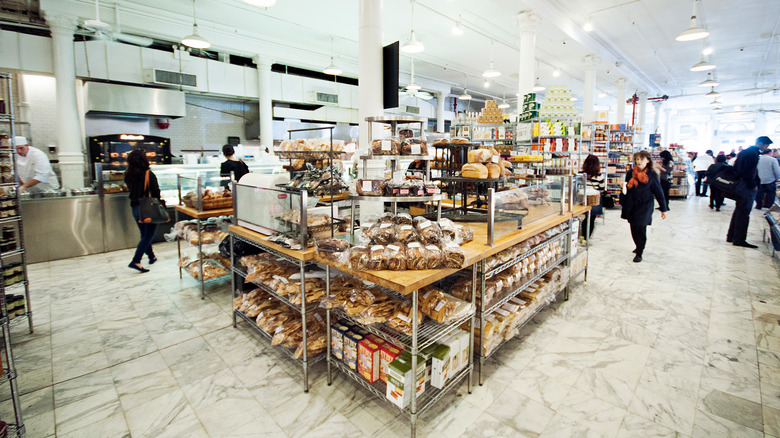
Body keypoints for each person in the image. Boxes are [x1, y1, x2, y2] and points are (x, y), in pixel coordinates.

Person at [621, 150, 668, 262]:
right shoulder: (630, 173)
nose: (639, 161)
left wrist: (663, 209)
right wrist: (623, 186)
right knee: (633, 227)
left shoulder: (652, 175)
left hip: (645, 205)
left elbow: (659, 192)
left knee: (641, 226)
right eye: (637, 159)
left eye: (641, 159)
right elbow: (627, 188)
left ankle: (640, 252)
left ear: (647, 160)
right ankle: (638, 245)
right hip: (632, 204)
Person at [726, 136, 773, 248]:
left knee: (739, 210)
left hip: (740, 184)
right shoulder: (753, 154)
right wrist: (753, 185)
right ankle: (739, 239)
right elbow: (748, 172)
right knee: (744, 212)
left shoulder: (745, 152)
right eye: (766, 145)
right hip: (746, 186)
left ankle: (731, 236)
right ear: (761, 143)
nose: (766, 148)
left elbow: (737, 168)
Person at [124, 149, 160, 273]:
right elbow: (156, 191)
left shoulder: (128, 174)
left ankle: (151, 256)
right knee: (149, 234)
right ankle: (136, 260)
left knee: (144, 234)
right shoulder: (148, 174)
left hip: (135, 207)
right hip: (148, 207)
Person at [581, 154, 605, 238]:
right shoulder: (599, 176)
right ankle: (586, 236)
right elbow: (602, 189)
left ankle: (581, 235)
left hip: (582, 198)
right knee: (591, 219)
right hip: (594, 199)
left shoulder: (580, 174)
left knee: (583, 217)